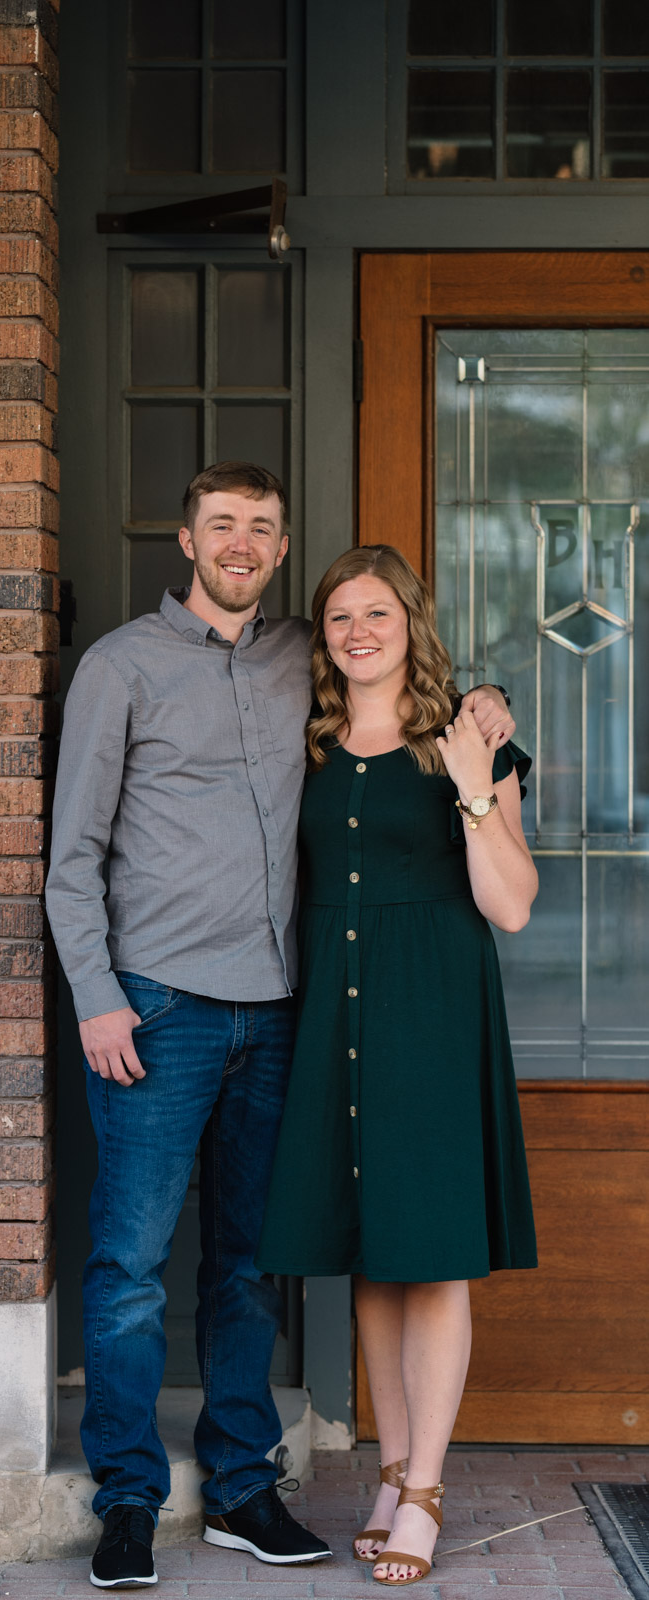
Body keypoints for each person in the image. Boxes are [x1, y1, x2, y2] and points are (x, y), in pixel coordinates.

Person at [46, 464, 514, 1590]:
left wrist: (484, 711)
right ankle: (124, 1497)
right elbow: (70, 860)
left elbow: (397, 668)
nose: (242, 543)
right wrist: (97, 994)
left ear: (277, 542)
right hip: (154, 1006)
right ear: (186, 538)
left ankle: (243, 1487)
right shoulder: (120, 667)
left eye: (261, 528)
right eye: (222, 526)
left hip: (289, 1014)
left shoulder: (301, 653)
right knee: (126, 1263)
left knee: (252, 1268)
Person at [255, 543, 538, 1589]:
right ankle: (388, 1472)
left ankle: (424, 1486)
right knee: (370, 1258)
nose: (356, 630)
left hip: (431, 1008)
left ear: (411, 623)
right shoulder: (308, 738)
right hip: (335, 1006)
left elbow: (509, 903)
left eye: (376, 612)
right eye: (337, 616)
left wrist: (471, 787)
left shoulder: (469, 740)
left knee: (432, 1254)